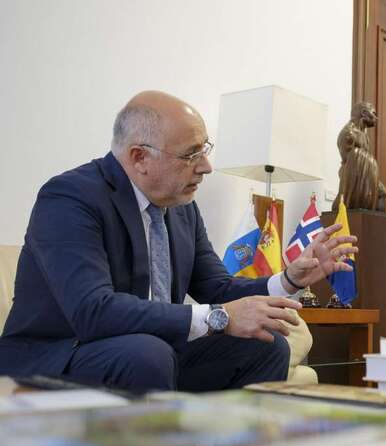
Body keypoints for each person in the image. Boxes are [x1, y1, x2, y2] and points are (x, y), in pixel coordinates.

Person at [0, 91, 358, 392]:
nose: (206, 166)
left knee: (267, 348)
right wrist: (218, 318)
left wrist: (290, 278)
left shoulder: (181, 207)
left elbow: (217, 287)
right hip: (63, 351)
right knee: (147, 354)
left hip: (149, 349)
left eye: (205, 150)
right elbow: (93, 311)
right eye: (191, 154)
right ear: (139, 157)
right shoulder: (70, 198)